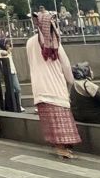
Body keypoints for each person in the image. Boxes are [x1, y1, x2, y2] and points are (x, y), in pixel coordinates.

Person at [25, 9, 80, 159]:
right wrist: (71, 81)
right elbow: (66, 65)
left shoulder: (30, 42)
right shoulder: (55, 43)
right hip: (54, 84)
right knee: (60, 117)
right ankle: (62, 148)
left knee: (50, 119)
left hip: (39, 85)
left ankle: (60, 146)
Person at [0, 37, 24, 112]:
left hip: (13, 72)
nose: (8, 45)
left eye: (8, 43)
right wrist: (9, 49)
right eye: (6, 44)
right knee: (15, 89)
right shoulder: (1, 51)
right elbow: (5, 53)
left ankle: (18, 104)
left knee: (16, 89)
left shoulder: (8, 51)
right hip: (8, 73)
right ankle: (16, 105)